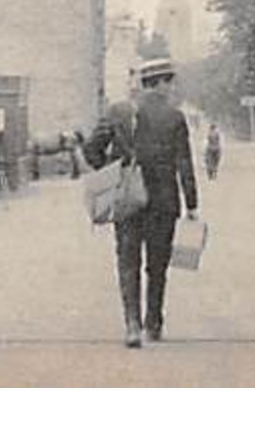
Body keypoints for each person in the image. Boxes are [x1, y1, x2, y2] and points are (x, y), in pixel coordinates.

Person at [83, 58, 199, 349]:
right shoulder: (175, 117)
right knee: (157, 265)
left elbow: (90, 149)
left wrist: (113, 172)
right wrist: (192, 203)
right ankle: (154, 323)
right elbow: (184, 163)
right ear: (159, 83)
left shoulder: (118, 111)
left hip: (127, 198)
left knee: (127, 262)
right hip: (163, 201)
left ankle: (131, 325)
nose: (171, 87)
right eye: (169, 81)